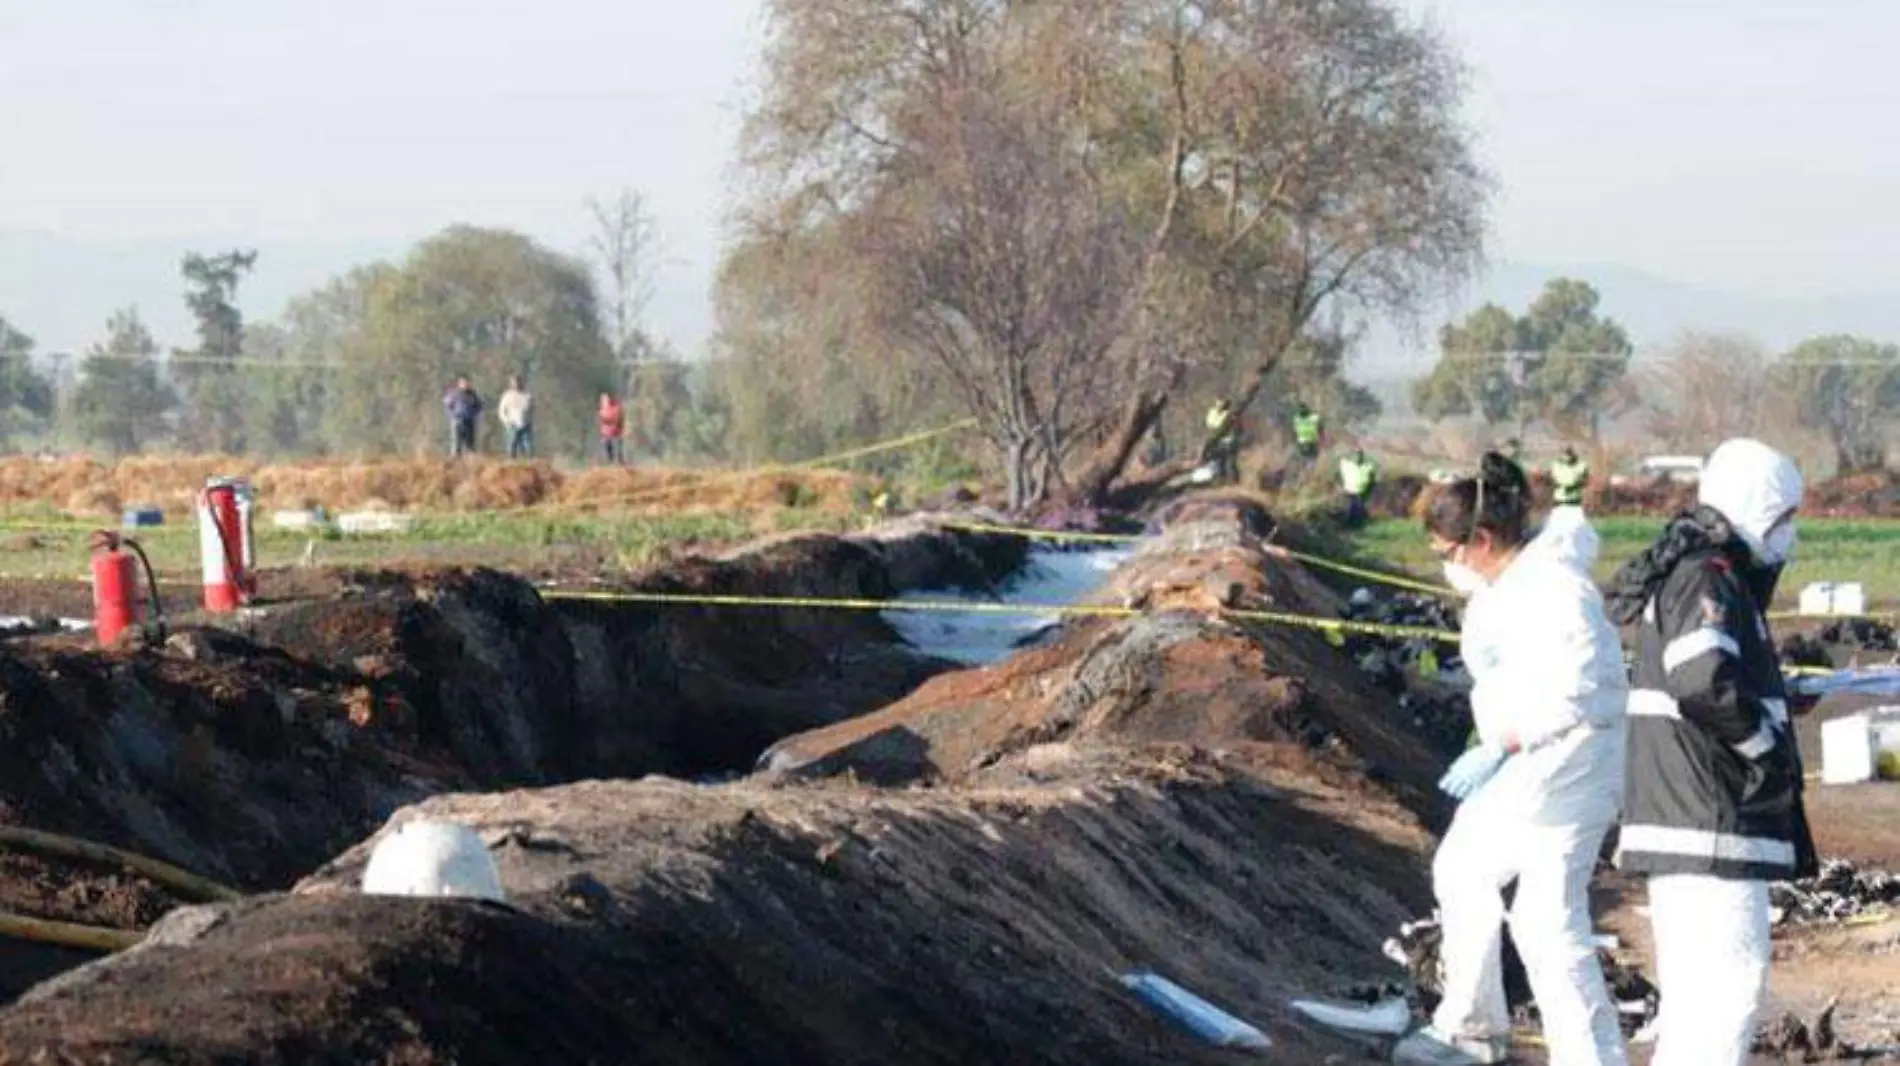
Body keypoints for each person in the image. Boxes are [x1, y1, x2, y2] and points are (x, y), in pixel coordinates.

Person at [1392, 453, 1630, 1066]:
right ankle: (1470, 1028)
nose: (1444, 565)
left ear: (1483, 539)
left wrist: (1505, 743)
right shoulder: (1506, 587)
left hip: (1572, 767)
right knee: (1463, 869)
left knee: (1546, 920)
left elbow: (1576, 692)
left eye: (1447, 552)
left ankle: (1591, 1057)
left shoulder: (1557, 588)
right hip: (1524, 764)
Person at [1603, 438, 1815, 1066]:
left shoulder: (1699, 573)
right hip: (1713, 821)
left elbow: (1702, 676)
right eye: (1784, 521)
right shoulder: (1710, 578)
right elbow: (1701, 680)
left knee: (1699, 1005)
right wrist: (1765, 745)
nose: (1789, 539)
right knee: (1727, 996)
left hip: (1691, 817)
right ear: (1755, 511)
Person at [1201, 399, 1241, 484]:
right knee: (1221, 462)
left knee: (1230, 462)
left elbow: (1238, 429)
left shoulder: (1231, 415)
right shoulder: (1214, 413)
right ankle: (1223, 481)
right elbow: (1212, 425)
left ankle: (1234, 482)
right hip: (1220, 442)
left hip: (1229, 441)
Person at [442, 377, 483, 458]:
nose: (466, 385)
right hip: (457, 421)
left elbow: (479, 406)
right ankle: (456, 459)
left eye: (467, 383)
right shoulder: (453, 393)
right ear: (459, 383)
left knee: (470, 443)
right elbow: (447, 406)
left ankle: (471, 461)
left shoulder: (473, 394)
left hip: (469, 421)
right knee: (456, 443)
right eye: (463, 383)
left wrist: (474, 415)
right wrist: (452, 416)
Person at [1338, 447, 1378, 529]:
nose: (1358, 457)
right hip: (1350, 492)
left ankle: (1358, 524)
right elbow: (1339, 458)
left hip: (1362, 492)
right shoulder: (1347, 465)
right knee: (1352, 508)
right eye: (1356, 455)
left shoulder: (1367, 467)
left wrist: (1369, 490)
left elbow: (1373, 479)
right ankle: (1351, 525)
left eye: (1359, 455)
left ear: (1362, 457)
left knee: (1358, 508)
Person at [498, 375, 534, 459]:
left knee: (527, 446)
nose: (516, 384)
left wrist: (529, 421)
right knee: (511, 445)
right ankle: (511, 462)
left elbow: (532, 410)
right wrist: (506, 421)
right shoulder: (506, 396)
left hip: (525, 425)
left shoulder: (527, 396)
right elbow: (501, 411)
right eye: (514, 382)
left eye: (518, 382)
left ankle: (527, 463)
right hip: (512, 425)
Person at [598, 392, 627, 465]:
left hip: (615, 433)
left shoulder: (614, 409)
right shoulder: (602, 410)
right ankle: (611, 462)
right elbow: (603, 423)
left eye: (605, 399)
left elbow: (617, 420)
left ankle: (619, 462)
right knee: (608, 449)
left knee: (617, 450)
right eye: (602, 400)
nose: (603, 401)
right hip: (608, 435)